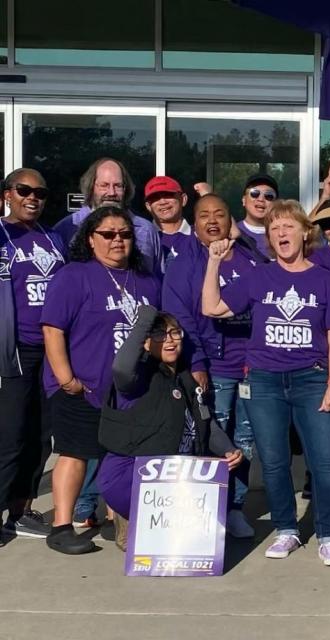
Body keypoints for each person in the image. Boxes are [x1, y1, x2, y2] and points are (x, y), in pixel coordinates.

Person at [202, 199, 330, 566]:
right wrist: (214, 261)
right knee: (273, 462)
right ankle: (287, 530)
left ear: (304, 232)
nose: (282, 233)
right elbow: (212, 308)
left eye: (288, 226)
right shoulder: (258, 275)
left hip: (312, 379)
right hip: (264, 380)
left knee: (325, 462)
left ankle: (328, 535)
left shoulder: (325, 279)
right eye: (274, 228)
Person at [41, 206, 162, 554]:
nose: (117, 240)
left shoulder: (147, 280)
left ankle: (122, 522)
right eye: (107, 234)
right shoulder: (73, 276)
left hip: (131, 392)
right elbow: (53, 329)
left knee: (123, 457)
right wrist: (67, 380)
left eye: (124, 233)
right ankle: (62, 526)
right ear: (91, 239)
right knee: (75, 454)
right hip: (83, 386)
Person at [162, 194, 270, 538]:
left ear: (231, 221)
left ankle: (235, 507)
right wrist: (195, 362)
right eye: (204, 215)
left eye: (220, 215)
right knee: (212, 435)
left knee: (246, 438)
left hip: (253, 364)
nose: (212, 221)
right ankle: (209, 507)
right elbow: (178, 316)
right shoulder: (185, 263)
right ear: (194, 224)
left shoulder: (251, 256)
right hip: (214, 365)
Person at [97, 306, 243, 551]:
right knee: (155, 546)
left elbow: (205, 422)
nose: (170, 341)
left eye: (175, 334)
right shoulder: (136, 378)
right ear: (145, 343)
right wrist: (144, 320)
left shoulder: (186, 378)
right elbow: (120, 367)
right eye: (160, 335)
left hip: (179, 474)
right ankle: (129, 519)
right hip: (134, 474)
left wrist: (228, 450)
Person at [0, 169, 65, 541]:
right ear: (8, 193)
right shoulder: (1, 234)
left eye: (40, 192)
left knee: (43, 435)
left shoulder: (52, 237)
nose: (33, 198)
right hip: (15, 348)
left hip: (52, 346)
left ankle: (20, 510)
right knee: (11, 435)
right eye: (24, 190)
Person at [53, 158, 164, 276]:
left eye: (118, 185)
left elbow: (158, 279)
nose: (111, 193)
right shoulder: (67, 228)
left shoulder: (145, 229)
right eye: (104, 185)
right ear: (91, 188)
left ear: (126, 189)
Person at [144, 176, 193, 261]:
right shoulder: (141, 238)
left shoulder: (200, 236)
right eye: (155, 198)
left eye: (168, 195)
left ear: (183, 199)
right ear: (148, 206)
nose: (163, 202)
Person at [235, 174, 279, 257]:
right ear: (244, 200)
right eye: (254, 193)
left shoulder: (283, 235)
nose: (261, 199)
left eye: (268, 196)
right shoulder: (231, 234)